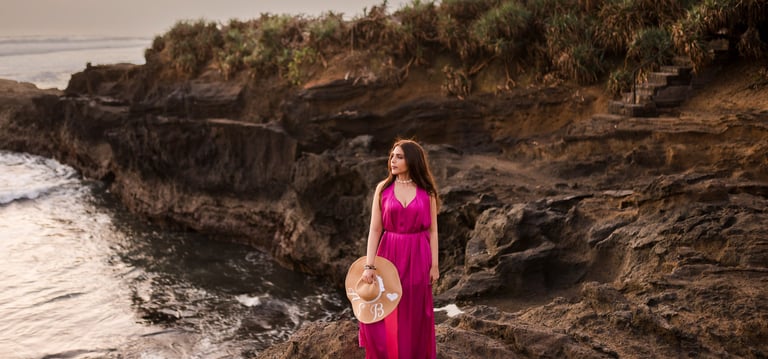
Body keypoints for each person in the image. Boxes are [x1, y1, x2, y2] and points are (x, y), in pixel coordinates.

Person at [358, 139, 439, 359]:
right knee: (388, 307)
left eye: (399, 156)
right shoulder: (383, 189)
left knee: (414, 310)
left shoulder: (427, 192)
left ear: (412, 160)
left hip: (419, 255)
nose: (392, 160)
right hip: (389, 253)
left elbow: (433, 231)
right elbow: (375, 230)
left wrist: (435, 265)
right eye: (392, 156)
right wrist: (369, 265)